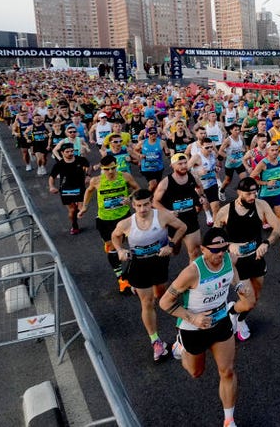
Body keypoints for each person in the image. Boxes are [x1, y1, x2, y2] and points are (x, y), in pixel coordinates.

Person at [159, 228, 255, 427]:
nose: (220, 254)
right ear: (203, 249)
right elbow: (165, 302)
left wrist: (237, 286)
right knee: (196, 372)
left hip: (221, 321)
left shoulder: (228, 259)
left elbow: (232, 272)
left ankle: (229, 420)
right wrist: (193, 318)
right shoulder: (192, 272)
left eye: (223, 249)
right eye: (214, 250)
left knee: (227, 371)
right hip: (193, 329)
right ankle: (180, 346)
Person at [111, 189, 187, 361]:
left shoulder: (162, 216)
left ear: (151, 202)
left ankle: (144, 292)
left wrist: (171, 244)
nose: (142, 209)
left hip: (159, 262)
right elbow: (115, 236)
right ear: (133, 205)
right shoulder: (127, 224)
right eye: (138, 205)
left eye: (146, 204)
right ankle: (156, 341)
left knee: (160, 296)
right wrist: (120, 249)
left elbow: (182, 227)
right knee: (147, 302)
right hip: (139, 265)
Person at [213, 177, 280, 339]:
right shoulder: (225, 211)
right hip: (237, 263)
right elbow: (214, 238)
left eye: (254, 192)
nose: (252, 196)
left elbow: (278, 228)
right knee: (248, 302)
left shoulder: (261, 205)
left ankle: (240, 316)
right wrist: (229, 246)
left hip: (256, 258)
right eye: (248, 193)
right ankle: (231, 312)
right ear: (239, 192)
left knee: (255, 299)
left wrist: (266, 242)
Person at [81, 154, 141, 293]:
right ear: (102, 169)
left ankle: (122, 266)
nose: (111, 171)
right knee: (113, 247)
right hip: (105, 220)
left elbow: (137, 188)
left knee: (128, 244)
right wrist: (84, 206)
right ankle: (121, 278)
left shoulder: (125, 176)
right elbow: (89, 191)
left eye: (113, 168)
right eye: (107, 169)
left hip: (123, 217)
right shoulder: (96, 180)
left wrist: (130, 198)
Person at [154, 152, 208, 262]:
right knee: (175, 250)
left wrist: (201, 196)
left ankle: (192, 276)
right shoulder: (166, 182)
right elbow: (154, 202)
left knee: (195, 252)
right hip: (173, 222)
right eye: (180, 164)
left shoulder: (192, 177)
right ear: (172, 166)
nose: (183, 166)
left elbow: (200, 186)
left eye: (185, 163)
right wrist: (167, 211)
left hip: (190, 220)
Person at [48, 140, 89, 234]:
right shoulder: (59, 164)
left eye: (72, 151)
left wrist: (88, 175)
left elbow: (87, 166)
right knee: (72, 210)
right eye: (67, 151)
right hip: (66, 189)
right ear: (62, 153)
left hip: (80, 187)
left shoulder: (80, 160)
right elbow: (52, 177)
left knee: (81, 208)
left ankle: (79, 213)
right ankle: (74, 225)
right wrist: (51, 186)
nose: (70, 153)